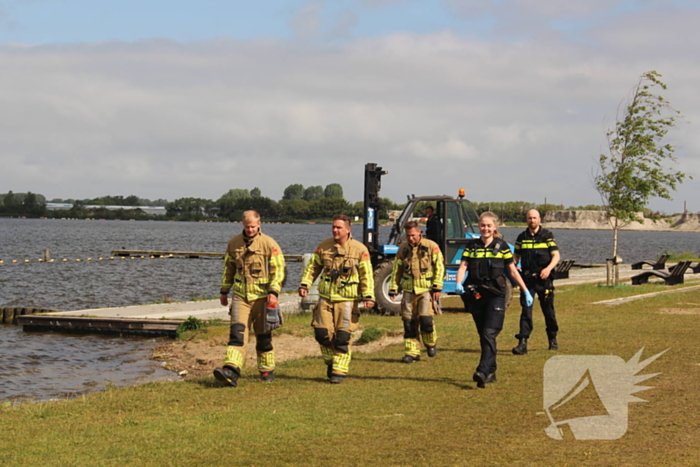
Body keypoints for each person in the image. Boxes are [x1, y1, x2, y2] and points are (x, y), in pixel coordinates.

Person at [455, 211, 533, 388]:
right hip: (476, 295)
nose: (485, 229)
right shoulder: (472, 246)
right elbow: (463, 266)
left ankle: (482, 371)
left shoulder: (502, 246)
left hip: (496, 296)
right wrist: (458, 283)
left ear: (495, 227)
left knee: (489, 333)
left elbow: (513, 271)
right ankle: (491, 371)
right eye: (483, 225)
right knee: (483, 334)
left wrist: (525, 290)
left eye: (489, 226)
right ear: (479, 226)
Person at [299, 214, 375, 384]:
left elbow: (367, 275)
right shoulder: (324, 246)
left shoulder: (359, 249)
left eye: (339, 227)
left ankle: (339, 371)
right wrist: (305, 285)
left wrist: (369, 295)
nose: (335, 230)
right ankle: (330, 361)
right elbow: (313, 267)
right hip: (325, 299)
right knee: (322, 334)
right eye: (333, 227)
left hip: (347, 301)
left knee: (342, 337)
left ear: (348, 230)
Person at [213, 210, 286, 387]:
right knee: (237, 334)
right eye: (247, 226)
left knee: (263, 336)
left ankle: (266, 370)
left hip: (263, 298)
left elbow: (279, 270)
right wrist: (224, 291)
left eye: (253, 226)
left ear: (259, 224)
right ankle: (231, 370)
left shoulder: (269, 244)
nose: (250, 229)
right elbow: (228, 269)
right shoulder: (234, 243)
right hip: (241, 296)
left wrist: (273, 292)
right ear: (242, 225)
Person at [388, 221, 445, 363]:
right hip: (408, 290)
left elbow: (439, 266)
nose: (411, 239)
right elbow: (397, 270)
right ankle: (412, 352)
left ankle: (430, 343)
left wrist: (437, 287)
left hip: (425, 290)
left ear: (419, 232)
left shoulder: (431, 246)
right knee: (408, 323)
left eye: (413, 235)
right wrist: (393, 288)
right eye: (408, 236)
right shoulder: (403, 248)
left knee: (426, 320)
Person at [511, 209, 561, 355]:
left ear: (539, 219)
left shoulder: (547, 236)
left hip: (544, 280)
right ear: (526, 220)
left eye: (534, 218)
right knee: (526, 311)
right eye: (529, 218)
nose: (532, 220)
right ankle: (522, 343)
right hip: (527, 280)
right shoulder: (522, 237)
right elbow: (516, 256)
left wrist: (548, 269)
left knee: (548, 311)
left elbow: (556, 256)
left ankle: (552, 338)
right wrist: (514, 265)